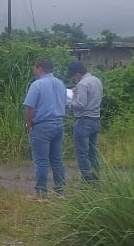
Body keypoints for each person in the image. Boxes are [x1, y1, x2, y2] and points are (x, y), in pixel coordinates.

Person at [23, 57, 66, 198]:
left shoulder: (37, 85)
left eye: (35, 68)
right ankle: (60, 192)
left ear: (40, 68)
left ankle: (42, 193)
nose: (34, 70)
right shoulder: (60, 83)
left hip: (42, 126)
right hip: (58, 124)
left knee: (41, 161)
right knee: (57, 160)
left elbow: (30, 108)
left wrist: (29, 125)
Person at [66, 60, 103, 182]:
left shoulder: (82, 84)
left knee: (82, 152)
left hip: (83, 120)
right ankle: (96, 178)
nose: (74, 79)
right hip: (95, 119)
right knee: (92, 151)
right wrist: (77, 92)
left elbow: (80, 105)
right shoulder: (96, 80)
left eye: (74, 76)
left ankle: (88, 180)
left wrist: (68, 103)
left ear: (77, 74)